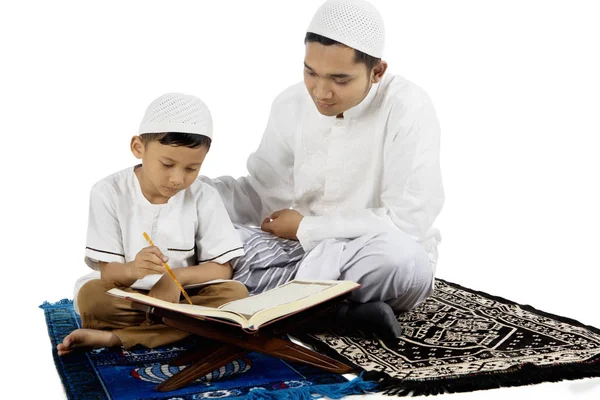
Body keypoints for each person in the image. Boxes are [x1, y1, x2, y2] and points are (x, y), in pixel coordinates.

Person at [201, 0, 444, 337]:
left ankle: (266, 298)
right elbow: (259, 193)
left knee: (402, 259)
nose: (320, 91)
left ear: (377, 72)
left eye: (340, 79)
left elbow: (408, 223)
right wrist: (193, 194)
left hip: (366, 258)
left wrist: (307, 228)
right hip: (289, 254)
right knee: (189, 222)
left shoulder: (407, 108)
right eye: (310, 72)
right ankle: (332, 313)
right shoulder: (291, 103)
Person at [57, 93, 248, 356]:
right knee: (92, 296)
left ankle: (115, 338)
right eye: (167, 164)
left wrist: (175, 279)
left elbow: (223, 269)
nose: (177, 179)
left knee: (235, 294)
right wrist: (134, 269)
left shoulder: (205, 196)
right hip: (129, 296)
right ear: (138, 147)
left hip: (183, 297)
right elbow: (110, 272)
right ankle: (184, 330)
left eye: (192, 169)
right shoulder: (108, 192)